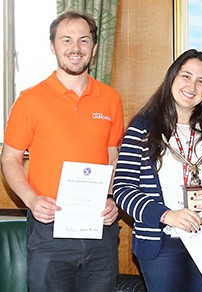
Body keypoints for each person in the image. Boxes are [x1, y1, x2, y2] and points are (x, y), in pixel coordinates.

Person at [0, 11, 123, 291]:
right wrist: (31, 200)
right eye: (66, 40)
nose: (75, 48)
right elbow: (9, 159)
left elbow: (112, 156)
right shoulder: (30, 100)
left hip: (99, 229)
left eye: (83, 40)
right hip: (49, 229)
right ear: (53, 46)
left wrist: (111, 197)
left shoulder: (110, 99)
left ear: (93, 48)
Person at [112, 49, 202, 291]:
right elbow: (122, 188)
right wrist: (167, 215)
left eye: (201, 81)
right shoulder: (143, 127)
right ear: (172, 79)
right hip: (161, 244)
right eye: (186, 76)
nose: (192, 86)